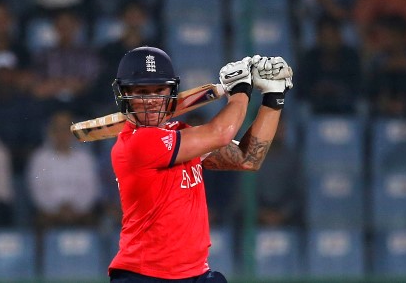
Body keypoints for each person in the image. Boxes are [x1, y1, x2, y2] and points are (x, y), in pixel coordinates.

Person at [108, 47, 293, 282]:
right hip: (145, 275)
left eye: (159, 90)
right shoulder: (137, 144)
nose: (152, 100)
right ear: (124, 94)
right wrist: (240, 90)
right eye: (142, 91)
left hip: (196, 273)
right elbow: (221, 133)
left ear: (171, 92)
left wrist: (273, 97)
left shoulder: (182, 136)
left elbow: (249, 159)